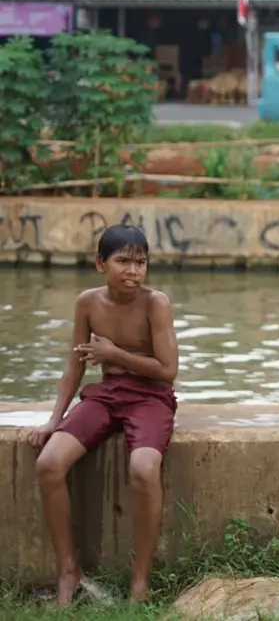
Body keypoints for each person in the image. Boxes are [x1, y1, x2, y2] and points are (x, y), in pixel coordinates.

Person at [26, 224, 179, 606]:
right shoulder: (87, 303)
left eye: (140, 262)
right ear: (100, 264)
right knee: (48, 463)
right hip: (105, 396)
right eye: (123, 261)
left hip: (150, 399)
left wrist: (115, 356)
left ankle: (140, 580)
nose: (133, 271)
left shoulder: (155, 303)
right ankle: (68, 571)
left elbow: (168, 370)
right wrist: (54, 420)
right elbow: (74, 368)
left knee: (144, 467)